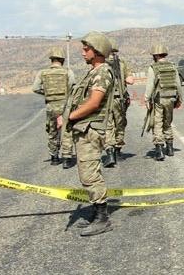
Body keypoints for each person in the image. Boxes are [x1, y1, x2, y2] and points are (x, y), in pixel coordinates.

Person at [57, 31, 114, 236]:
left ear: (97, 51)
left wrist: (69, 117)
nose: (83, 52)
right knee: (87, 173)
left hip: (91, 130)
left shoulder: (102, 72)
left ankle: (102, 218)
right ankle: (97, 213)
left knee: (89, 175)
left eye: (86, 48)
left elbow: (94, 102)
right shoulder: (93, 71)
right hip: (86, 129)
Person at [32, 46, 76, 168]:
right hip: (65, 106)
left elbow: (35, 88)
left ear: (51, 59)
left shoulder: (42, 73)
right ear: (62, 60)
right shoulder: (68, 72)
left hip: (51, 106)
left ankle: (54, 157)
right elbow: (72, 87)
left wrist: (46, 93)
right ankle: (67, 159)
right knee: (67, 131)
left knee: (52, 131)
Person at [144, 44, 183, 161]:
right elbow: (178, 84)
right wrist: (180, 99)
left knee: (157, 124)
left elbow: (150, 85)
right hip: (171, 99)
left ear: (156, 55)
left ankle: (159, 150)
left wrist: (146, 98)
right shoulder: (172, 66)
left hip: (159, 99)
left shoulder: (153, 67)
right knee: (168, 122)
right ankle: (170, 148)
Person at [103, 38, 134, 167]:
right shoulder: (122, 63)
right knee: (120, 124)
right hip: (120, 98)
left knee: (107, 126)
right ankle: (118, 151)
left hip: (105, 101)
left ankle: (109, 153)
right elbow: (131, 81)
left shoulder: (102, 64)